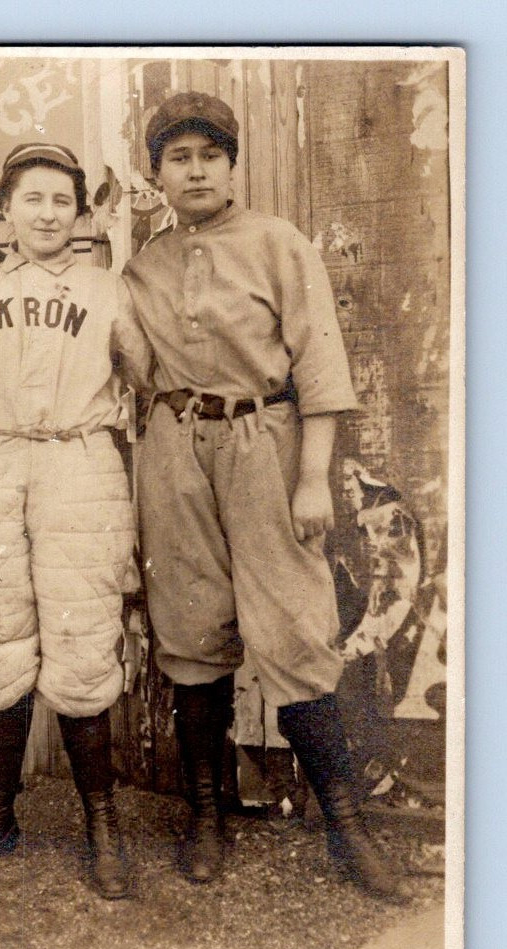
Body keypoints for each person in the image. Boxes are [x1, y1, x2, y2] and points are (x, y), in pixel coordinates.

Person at [120, 92, 401, 897]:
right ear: (157, 175)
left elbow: (319, 365)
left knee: (296, 628)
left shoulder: (277, 243)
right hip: (175, 449)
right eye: (179, 157)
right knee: (190, 630)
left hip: (265, 444)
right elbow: (120, 352)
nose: (197, 169)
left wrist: (312, 477)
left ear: (233, 164)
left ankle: (347, 827)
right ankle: (206, 816)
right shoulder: (141, 268)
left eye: (211, 154)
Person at [0, 142, 151, 899]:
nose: (47, 214)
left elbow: (145, 376)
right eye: (31, 199)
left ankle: (100, 825)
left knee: (81, 643)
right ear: (5, 209)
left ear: (80, 213)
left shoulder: (108, 289)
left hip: (80, 467)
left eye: (61, 201)